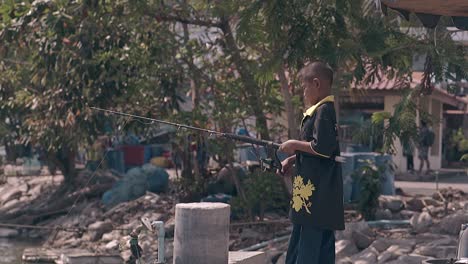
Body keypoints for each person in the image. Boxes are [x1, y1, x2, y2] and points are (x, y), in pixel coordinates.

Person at [278, 61, 344, 264]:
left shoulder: (323, 111)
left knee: (308, 248)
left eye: (305, 87)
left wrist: (294, 144)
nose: (304, 92)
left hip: (315, 197)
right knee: (313, 245)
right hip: (313, 196)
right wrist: (292, 159)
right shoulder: (320, 111)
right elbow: (320, 151)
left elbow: (322, 148)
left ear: (316, 84)